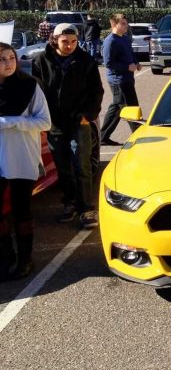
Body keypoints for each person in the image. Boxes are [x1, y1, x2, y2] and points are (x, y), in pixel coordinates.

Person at [32, 23, 103, 230]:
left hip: (78, 121)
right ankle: (69, 202)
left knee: (82, 165)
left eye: (73, 41)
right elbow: (37, 92)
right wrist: (42, 117)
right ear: (55, 40)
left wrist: (88, 116)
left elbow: (96, 92)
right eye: (65, 41)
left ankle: (86, 208)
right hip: (54, 123)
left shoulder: (86, 61)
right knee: (62, 168)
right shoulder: (40, 60)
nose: (70, 45)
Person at [0, 42, 52, 281]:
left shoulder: (29, 86)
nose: (8, 63)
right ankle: (5, 256)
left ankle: (25, 259)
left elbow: (45, 123)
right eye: (2, 59)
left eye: (11, 57)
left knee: (22, 210)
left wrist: (10, 122)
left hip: (21, 156)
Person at [101, 13, 141, 146]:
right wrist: (126, 67)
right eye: (123, 23)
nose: (126, 26)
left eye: (126, 23)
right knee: (131, 107)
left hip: (127, 78)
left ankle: (103, 136)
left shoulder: (124, 38)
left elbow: (130, 53)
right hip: (118, 81)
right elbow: (108, 63)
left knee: (117, 108)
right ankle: (139, 135)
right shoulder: (110, 41)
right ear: (114, 25)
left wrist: (137, 63)